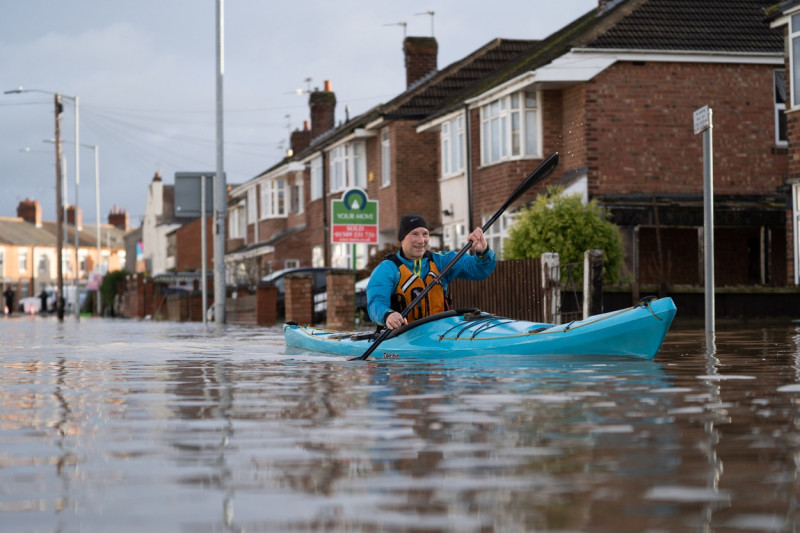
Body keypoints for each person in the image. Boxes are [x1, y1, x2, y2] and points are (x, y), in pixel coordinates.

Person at [367, 213, 496, 330]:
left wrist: (483, 251)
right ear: (402, 239)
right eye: (414, 234)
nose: (421, 240)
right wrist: (387, 315)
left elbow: (480, 271)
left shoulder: (442, 261)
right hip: (403, 336)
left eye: (425, 234)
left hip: (438, 334)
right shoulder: (387, 269)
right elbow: (375, 303)